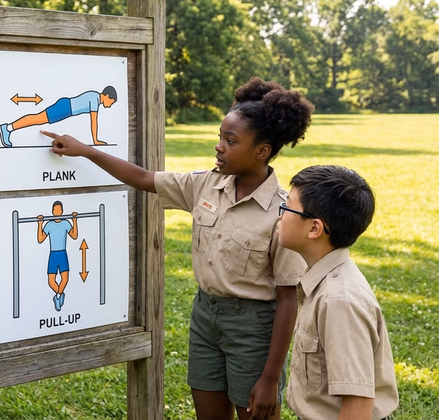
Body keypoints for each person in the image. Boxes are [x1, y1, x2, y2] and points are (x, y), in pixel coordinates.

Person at [43, 77, 313, 420]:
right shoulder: (205, 184)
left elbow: (288, 300)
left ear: (262, 151)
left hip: (253, 328)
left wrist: (270, 378)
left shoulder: (280, 213)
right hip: (205, 317)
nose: (219, 146)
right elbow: (144, 178)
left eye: (231, 141)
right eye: (220, 137)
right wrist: (86, 150)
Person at [278, 165, 398, 420]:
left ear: (314, 229)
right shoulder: (322, 281)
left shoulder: (338, 301)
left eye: (286, 208)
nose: (279, 216)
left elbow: (357, 405)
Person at [0, 86, 117, 148]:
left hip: (66, 108)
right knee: (37, 119)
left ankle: (8, 128)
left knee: (37, 118)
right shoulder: (95, 98)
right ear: (106, 95)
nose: (110, 105)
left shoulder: (95, 97)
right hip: (65, 108)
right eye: (111, 101)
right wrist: (95, 141)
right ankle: (7, 128)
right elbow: (94, 121)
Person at [37, 201, 78, 311]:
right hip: (53, 254)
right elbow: (40, 239)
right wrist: (40, 224)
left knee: (65, 278)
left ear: (62, 211)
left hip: (62, 253)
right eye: (55, 210)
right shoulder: (49, 224)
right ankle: (59, 295)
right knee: (51, 281)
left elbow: (74, 236)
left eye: (59, 210)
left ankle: (58, 297)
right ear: (53, 212)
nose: (57, 212)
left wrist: (74, 221)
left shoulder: (65, 223)